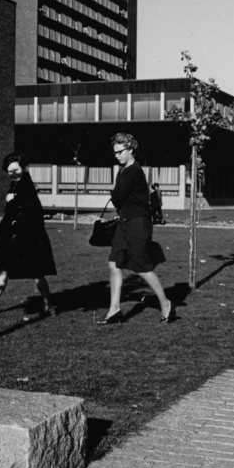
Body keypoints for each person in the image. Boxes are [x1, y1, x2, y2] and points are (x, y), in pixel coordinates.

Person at [0, 153, 56, 320]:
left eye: (16, 169)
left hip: (25, 237)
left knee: (36, 272)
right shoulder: (16, 184)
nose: (13, 173)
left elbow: (28, 209)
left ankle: (49, 307)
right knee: (5, 269)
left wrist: (13, 200)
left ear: (22, 167)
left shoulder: (26, 185)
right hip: (15, 236)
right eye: (10, 171)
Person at [101, 133, 172, 325]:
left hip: (138, 224)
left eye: (120, 152)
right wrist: (116, 194)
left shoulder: (134, 171)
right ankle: (114, 309)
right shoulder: (123, 170)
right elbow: (118, 196)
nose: (117, 156)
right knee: (114, 263)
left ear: (130, 149)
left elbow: (118, 196)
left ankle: (165, 303)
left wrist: (115, 193)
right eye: (114, 153)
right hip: (125, 222)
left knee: (140, 265)